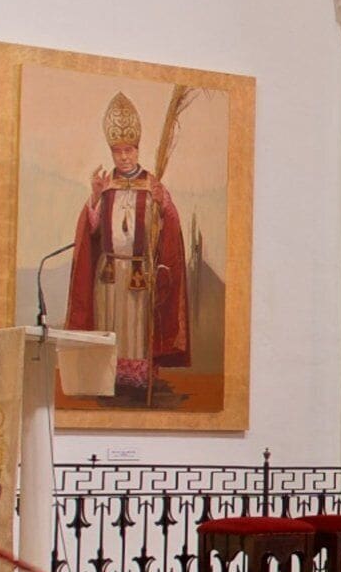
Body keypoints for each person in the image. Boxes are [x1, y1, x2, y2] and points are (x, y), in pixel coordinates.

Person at [64, 91, 224, 406]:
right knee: (111, 324)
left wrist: (164, 204)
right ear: (112, 153)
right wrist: (94, 198)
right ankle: (108, 380)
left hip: (140, 273)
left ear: (138, 150)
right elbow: (92, 229)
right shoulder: (106, 186)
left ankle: (137, 383)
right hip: (109, 273)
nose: (124, 157)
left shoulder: (153, 186)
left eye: (129, 150)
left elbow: (170, 227)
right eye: (118, 151)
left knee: (137, 328)